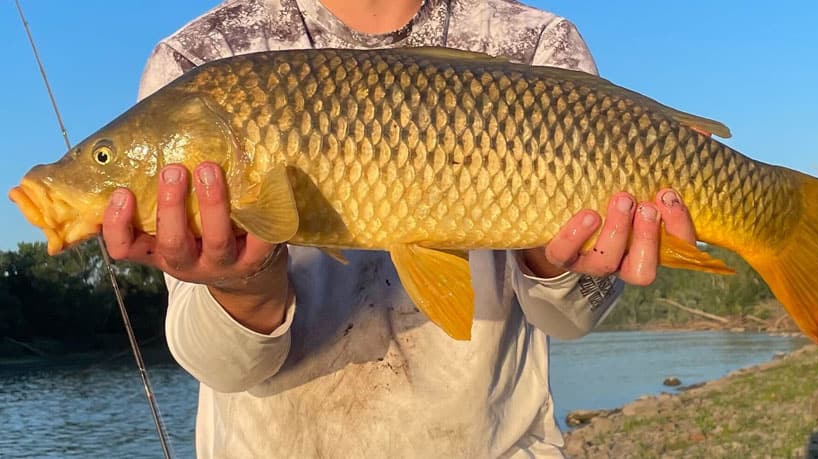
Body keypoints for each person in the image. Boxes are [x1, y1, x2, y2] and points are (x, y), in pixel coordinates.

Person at [102, 0, 699, 457]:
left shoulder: (533, 44)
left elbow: (569, 317)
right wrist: (243, 286)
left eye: (104, 157)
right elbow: (224, 368)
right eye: (104, 157)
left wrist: (550, 264)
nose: (101, 166)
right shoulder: (202, 60)